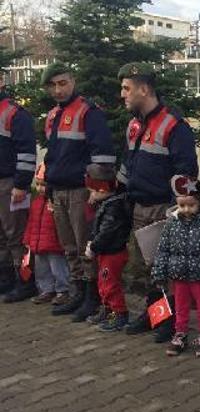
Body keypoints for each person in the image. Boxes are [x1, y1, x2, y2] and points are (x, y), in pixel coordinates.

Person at [116, 62, 199, 343]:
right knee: (146, 268)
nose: (123, 94)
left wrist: (178, 210)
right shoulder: (134, 124)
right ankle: (155, 314)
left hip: (163, 209)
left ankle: (172, 320)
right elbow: (128, 164)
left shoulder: (174, 125)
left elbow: (186, 171)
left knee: (167, 268)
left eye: (127, 88)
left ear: (144, 89)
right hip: (139, 207)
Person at [41, 63, 115, 319]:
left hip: (80, 191)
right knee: (69, 246)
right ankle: (77, 292)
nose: (58, 89)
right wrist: (49, 187)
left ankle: (92, 297)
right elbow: (52, 156)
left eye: (63, 83)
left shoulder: (88, 112)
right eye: (53, 85)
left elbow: (103, 155)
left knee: (85, 246)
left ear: (73, 80)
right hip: (59, 190)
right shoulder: (52, 116)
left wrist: (99, 189)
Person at [152, 175, 200, 357]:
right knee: (181, 307)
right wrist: (159, 272)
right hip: (179, 276)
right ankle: (180, 333)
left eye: (191, 205)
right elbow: (163, 250)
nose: (186, 209)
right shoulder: (171, 224)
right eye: (182, 205)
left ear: (199, 202)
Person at [83, 163, 133, 332]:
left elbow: (106, 233)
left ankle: (119, 313)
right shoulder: (108, 204)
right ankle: (108, 309)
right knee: (103, 282)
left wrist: (94, 246)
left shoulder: (113, 208)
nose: (90, 195)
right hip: (107, 252)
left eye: (92, 191)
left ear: (102, 190)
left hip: (113, 253)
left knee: (110, 283)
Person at [0, 76, 37, 302]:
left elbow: (26, 151)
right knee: (1, 237)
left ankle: (25, 281)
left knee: (16, 235)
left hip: (9, 184)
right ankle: (6, 279)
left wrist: (21, 184)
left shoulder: (14, 113)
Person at [25, 164, 70, 305]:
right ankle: (46, 290)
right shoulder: (36, 202)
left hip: (54, 243)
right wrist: (28, 239)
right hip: (38, 243)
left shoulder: (56, 202)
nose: (40, 188)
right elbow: (31, 222)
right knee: (42, 270)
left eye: (43, 184)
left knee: (58, 268)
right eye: (37, 184)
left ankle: (63, 290)